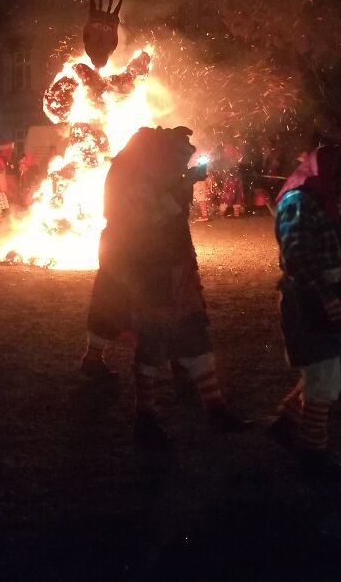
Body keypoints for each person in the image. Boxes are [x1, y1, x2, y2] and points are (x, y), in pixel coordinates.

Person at [85, 125, 250, 449]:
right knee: (149, 335)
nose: (180, 164)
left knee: (193, 329)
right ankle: (145, 418)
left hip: (171, 265)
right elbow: (152, 215)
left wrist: (184, 181)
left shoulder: (146, 172)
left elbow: (166, 200)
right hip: (148, 267)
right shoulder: (134, 180)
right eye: (176, 158)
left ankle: (215, 408)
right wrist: (183, 184)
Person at [267, 144, 341, 480]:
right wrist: (324, 296)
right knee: (325, 374)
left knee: (328, 367)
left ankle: (284, 424)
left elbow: (334, 244)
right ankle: (313, 452)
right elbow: (295, 257)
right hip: (308, 295)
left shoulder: (322, 199)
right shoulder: (298, 201)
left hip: (328, 289)